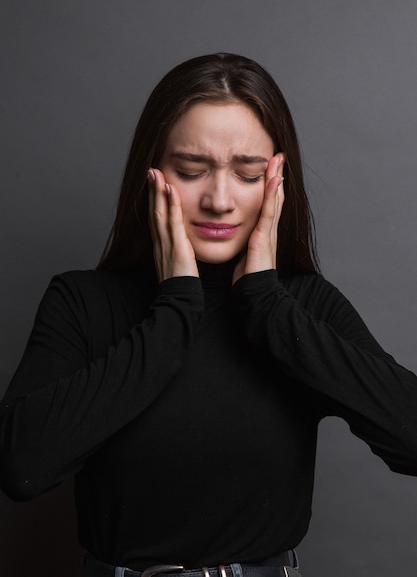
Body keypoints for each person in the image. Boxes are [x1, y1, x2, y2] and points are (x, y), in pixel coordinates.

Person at [1, 53, 417, 577]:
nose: (219, 200)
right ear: (152, 174)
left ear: (278, 180)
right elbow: (21, 470)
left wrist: (267, 306)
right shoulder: (83, 303)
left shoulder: (303, 308)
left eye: (247, 174)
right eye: (192, 171)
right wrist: (175, 306)